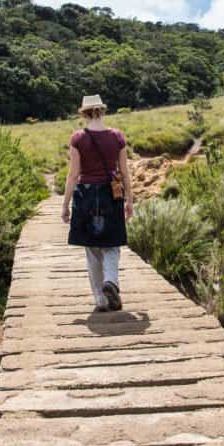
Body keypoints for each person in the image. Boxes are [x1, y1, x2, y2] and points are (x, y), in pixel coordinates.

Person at [61, 94, 134, 311]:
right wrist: (129, 200)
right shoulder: (117, 137)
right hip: (112, 195)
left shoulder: (78, 138)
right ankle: (110, 281)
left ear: (84, 113)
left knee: (92, 249)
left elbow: (73, 175)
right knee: (112, 244)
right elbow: (125, 172)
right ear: (102, 110)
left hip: (85, 195)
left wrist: (65, 204)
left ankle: (100, 300)